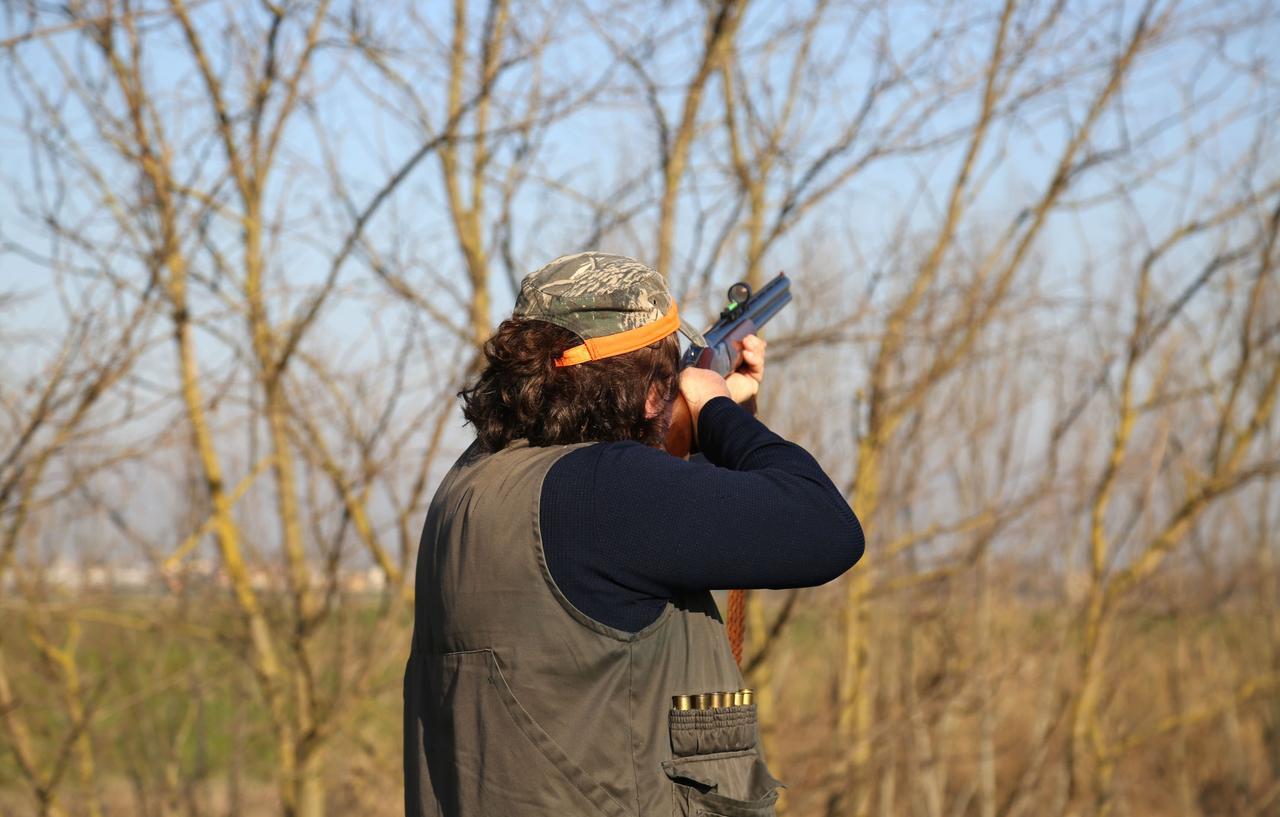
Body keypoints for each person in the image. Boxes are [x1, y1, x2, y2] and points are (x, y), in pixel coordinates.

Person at [403, 252, 864, 817]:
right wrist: (716, 409)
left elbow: (623, 550)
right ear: (651, 393)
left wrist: (686, 432)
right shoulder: (603, 492)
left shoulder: (470, 486)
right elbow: (827, 526)